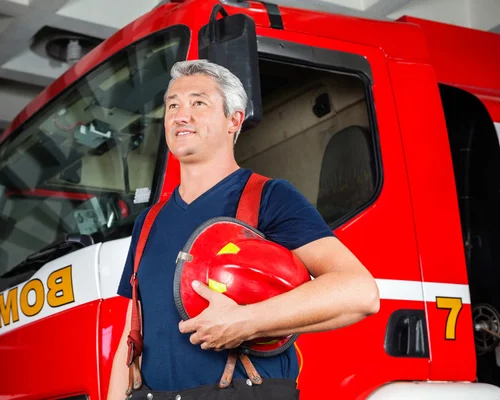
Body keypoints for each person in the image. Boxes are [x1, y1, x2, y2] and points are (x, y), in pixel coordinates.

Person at [107, 59, 380, 400]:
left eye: (198, 102)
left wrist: (246, 321)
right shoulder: (148, 223)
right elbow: (130, 338)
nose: (181, 114)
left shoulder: (268, 197)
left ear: (233, 120)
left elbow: (359, 292)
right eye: (172, 105)